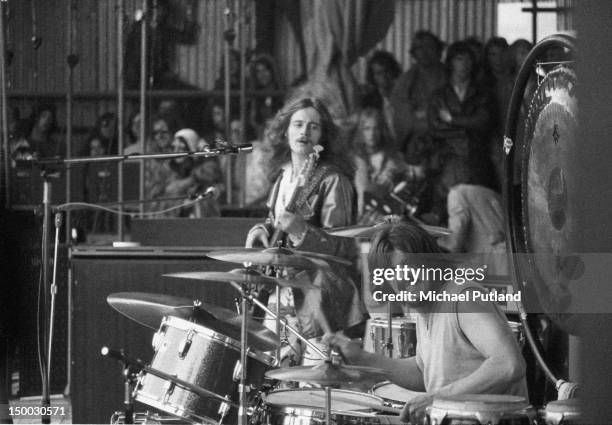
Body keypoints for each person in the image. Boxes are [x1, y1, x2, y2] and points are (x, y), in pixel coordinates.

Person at [324, 221, 527, 423]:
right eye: (392, 272)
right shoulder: (425, 308)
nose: (403, 277)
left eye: (409, 266)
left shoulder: (463, 298)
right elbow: (424, 373)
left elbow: (508, 363)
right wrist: (363, 359)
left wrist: (436, 398)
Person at [245, 97, 368, 365]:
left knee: (314, 388)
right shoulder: (282, 176)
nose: (304, 132)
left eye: (313, 127)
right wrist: (261, 230)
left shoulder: (333, 180)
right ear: (285, 131)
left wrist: (303, 232)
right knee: (275, 380)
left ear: (323, 136)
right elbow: (276, 221)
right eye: (298, 124)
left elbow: (342, 247)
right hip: (279, 294)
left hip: (318, 300)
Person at [437, 156, 508, 276]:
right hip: (512, 253)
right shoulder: (487, 192)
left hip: (495, 263)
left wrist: (435, 245)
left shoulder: (456, 194)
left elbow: (454, 239)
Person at [390, 30, 447, 165]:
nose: (424, 52)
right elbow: (401, 116)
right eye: (419, 48)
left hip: (447, 139)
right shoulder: (405, 81)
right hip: (415, 141)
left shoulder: (451, 76)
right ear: (413, 53)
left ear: (439, 50)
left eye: (429, 46)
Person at [352, 107, 407, 222]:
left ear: (381, 130)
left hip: (389, 209)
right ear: (361, 131)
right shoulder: (356, 157)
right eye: (367, 129)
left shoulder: (391, 155)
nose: (372, 133)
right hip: (363, 211)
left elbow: (403, 173)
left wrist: (392, 174)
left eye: (376, 128)